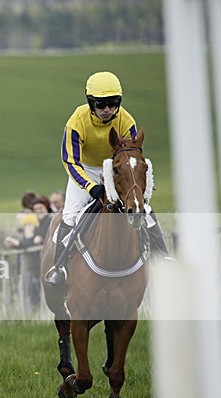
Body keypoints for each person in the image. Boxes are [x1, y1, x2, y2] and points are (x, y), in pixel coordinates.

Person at [44, 71, 170, 286]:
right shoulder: (76, 121)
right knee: (70, 216)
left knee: (144, 210)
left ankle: (164, 259)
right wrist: (91, 186)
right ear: (91, 103)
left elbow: (132, 156)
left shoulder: (126, 120)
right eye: (101, 105)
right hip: (83, 170)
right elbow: (70, 161)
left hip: (115, 168)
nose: (107, 110)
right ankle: (60, 269)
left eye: (113, 104)